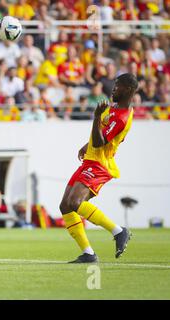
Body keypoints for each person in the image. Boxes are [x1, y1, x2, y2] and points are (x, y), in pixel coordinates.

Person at [59, 73, 138, 263]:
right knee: (65, 206)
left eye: (117, 86)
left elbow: (101, 142)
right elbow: (99, 135)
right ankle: (88, 253)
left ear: (128, 89)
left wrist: (95, 117)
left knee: (75, 202)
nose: (113, 88)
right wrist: (87, 146)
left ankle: (118, 231)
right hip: (90, 160)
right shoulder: (115, 108)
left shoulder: (122, 117)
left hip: (100, 164)